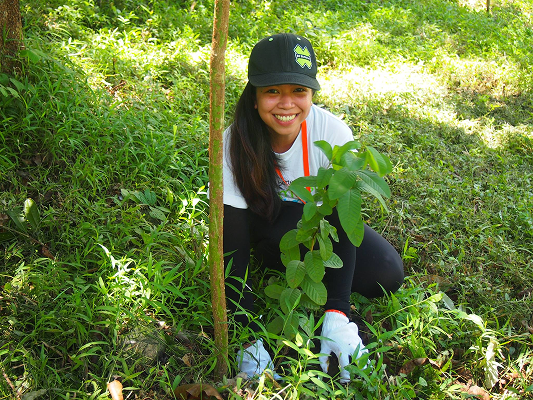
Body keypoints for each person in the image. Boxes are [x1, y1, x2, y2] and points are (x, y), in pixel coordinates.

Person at [222, 33, 404, 383]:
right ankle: (280, 265)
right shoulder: (234, 143)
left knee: (387, 272)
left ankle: (329, 316)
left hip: (316, 224)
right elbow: (233, 241)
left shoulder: (333, 133)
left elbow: (342, 219)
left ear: (312, 94)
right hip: (264, 226)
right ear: (254, 95)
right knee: (278, 235)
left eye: (299, 91)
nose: (286, 104)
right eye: (273, 91)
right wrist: (244, 330)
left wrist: (337, 310)